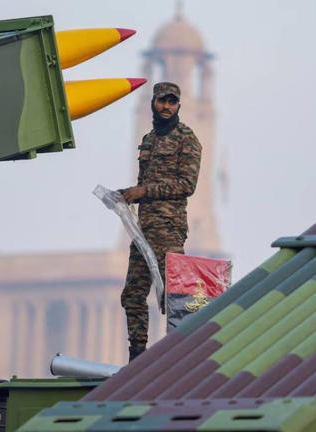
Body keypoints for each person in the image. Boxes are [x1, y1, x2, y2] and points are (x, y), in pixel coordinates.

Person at [119, 82, 202, 362]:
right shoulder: (149, 140)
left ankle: (182, 355)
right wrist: (128, 195)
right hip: (143, 231)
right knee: (132, 295)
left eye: (172, 102)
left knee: (177, 297)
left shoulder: (187, 139)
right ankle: (137, 356)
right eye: (162, 101)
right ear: (153, 102)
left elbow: (187, 185)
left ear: (178, 105)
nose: (166, 107)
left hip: (168, 229)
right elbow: (145, 183)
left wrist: (144, 192)